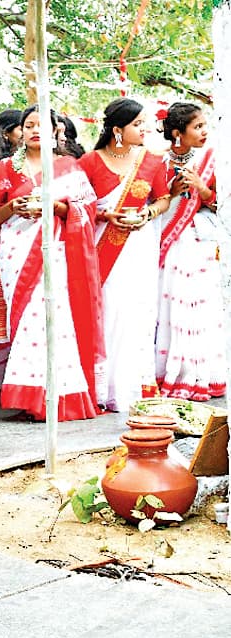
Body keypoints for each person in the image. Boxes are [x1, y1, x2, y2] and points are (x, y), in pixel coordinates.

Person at [0, 105, 103, 421]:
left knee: (53, 320)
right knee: (23, 323)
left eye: (42, 125)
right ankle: (28, 397)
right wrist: (13, 206)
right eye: (30, 124)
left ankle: (56, 397)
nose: (36, 130)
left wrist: (57, 206)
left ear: (55, 131)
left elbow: (86, 211)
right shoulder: (5, 168)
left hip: (56, 252)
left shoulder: (69, 167)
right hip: (15, 252)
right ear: (20, 131)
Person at [79, 98, 171, 411]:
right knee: (108, 309)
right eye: (138, 124)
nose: (146, 128)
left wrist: (147, 215)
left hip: (139, 245)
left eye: (146, 122)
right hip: (102, 246)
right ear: (118, 130)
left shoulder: (152, 160)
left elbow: (163, 199)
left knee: (138, 311)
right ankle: (105, 387)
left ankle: (134, 385)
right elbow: (77, 205)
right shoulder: (90, 162)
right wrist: (105, 217)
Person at [155, 102, 225, 400]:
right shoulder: (157, 163)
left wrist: (201, 187)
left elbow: (219, 203)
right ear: (176, 134)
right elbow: (153, 202)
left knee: (198, 307)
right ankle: (168, 372)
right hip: (167, 241)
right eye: (197, 127)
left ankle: (200, 375)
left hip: (198, 244)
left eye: (204, 125)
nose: (204, 131)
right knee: (168, 305)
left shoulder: (212, 160)